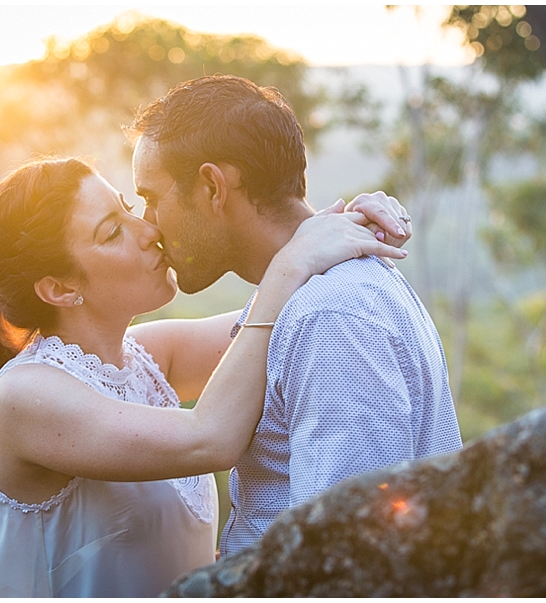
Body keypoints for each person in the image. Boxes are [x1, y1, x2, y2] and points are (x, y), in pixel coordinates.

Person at [0, 156, 409, 597]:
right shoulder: (23, 397)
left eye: (128, 208)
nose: (147, 231)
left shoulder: (148, 356)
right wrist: (291, 262)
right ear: (60, 289)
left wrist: (344, 226)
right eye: (112, 232)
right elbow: (211, 438)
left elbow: (283, 322)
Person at [126, 74, 464, 556]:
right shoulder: (301, 295)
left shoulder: (328, 314)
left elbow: (348, 554)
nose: (147, 224)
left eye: (152, 199)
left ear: (212, 186)